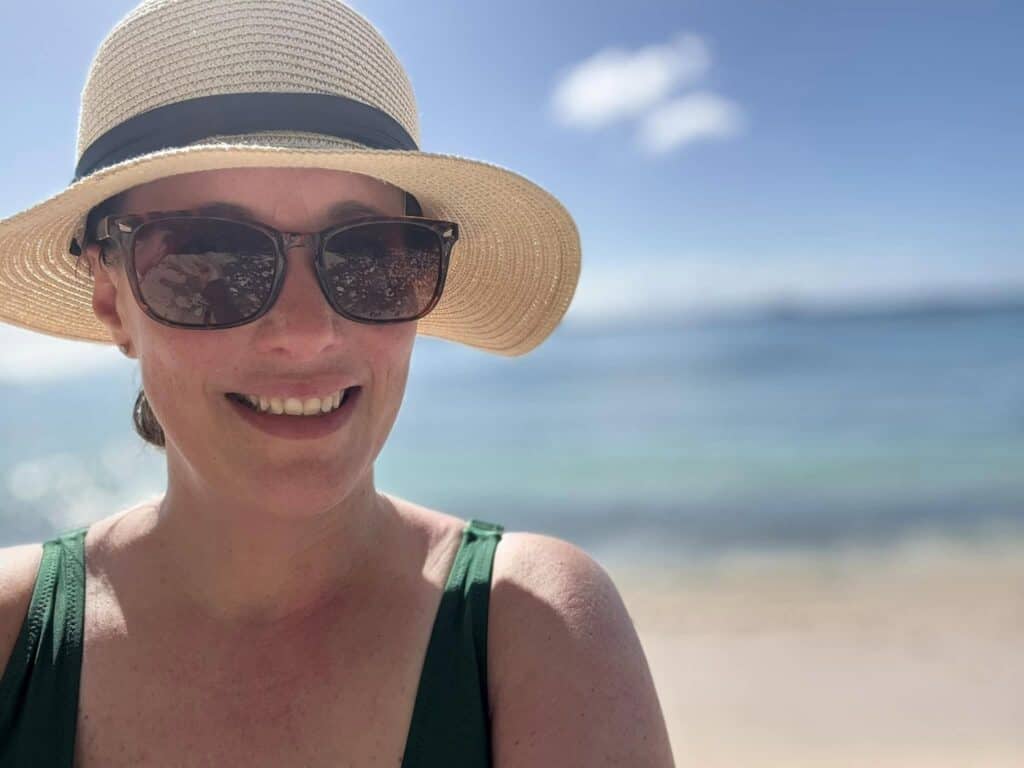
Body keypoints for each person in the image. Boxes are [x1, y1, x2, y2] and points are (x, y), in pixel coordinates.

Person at [0, 0, 675, 765]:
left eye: (369, 256)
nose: (306, 331)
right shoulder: (12, 633)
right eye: (213, 260)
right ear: (110, 298)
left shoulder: (537, 622)